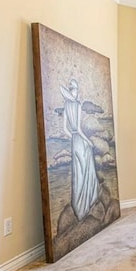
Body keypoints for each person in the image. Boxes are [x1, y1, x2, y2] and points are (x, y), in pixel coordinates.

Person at [60, 79, 100, 221]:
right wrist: (87, 141)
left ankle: (78, 208)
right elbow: (79, 129)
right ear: (74, 91)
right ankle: (87, 204)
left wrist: (73, 137)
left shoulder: (66, 106)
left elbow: (65, 129)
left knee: (78, 173)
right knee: (86, 171)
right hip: (81, 141)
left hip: (73, 142)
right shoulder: (76, 105)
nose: (77, 92)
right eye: (76, 90)